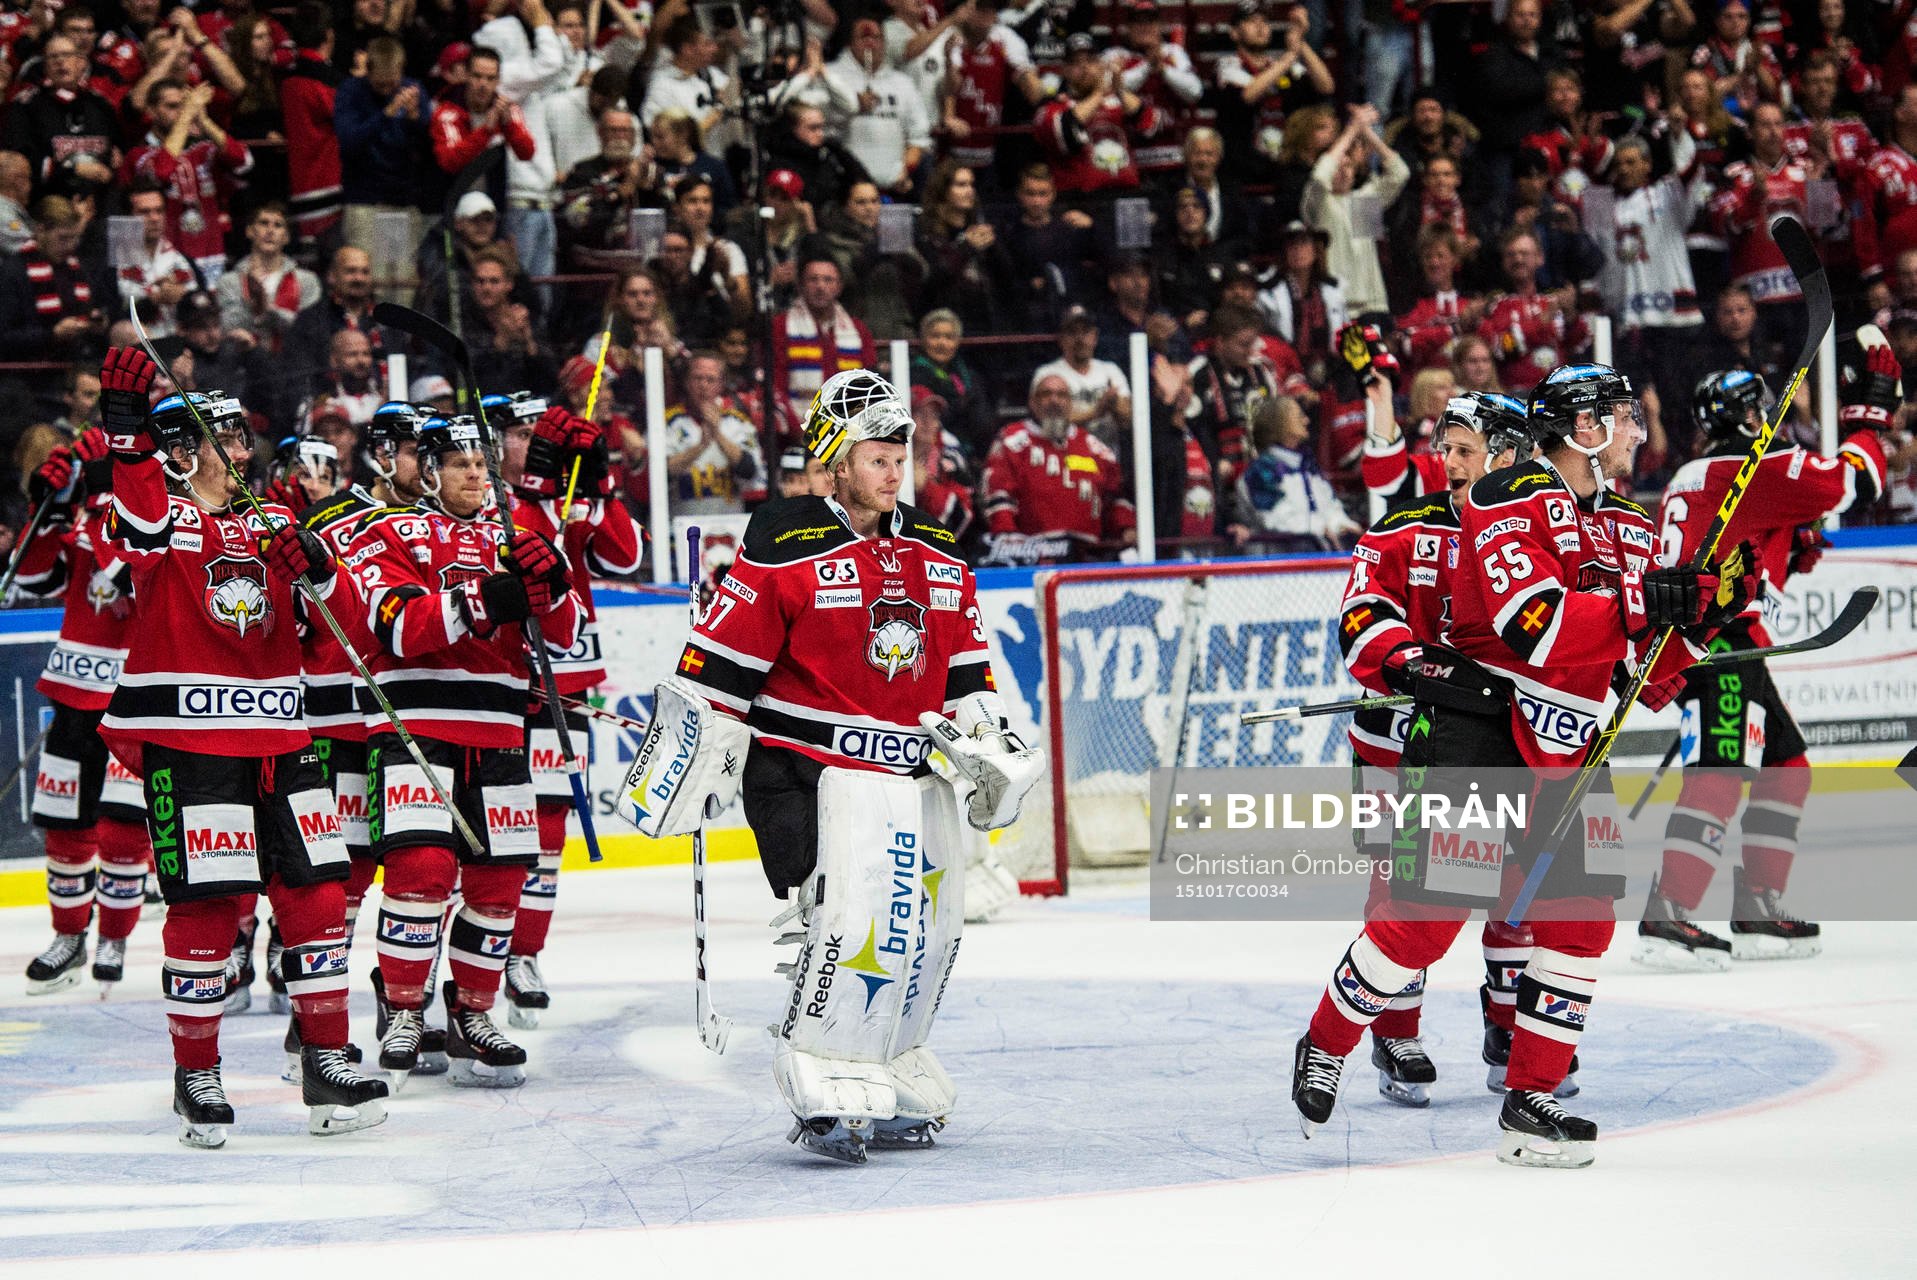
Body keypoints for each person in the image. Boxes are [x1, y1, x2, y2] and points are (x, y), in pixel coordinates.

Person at [1290, 363, 1754, 1169]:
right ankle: (1326, 1041)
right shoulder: (1508, 500)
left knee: (1578, 924)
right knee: (1423, 927)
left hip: (1567, 746)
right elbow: (1530, 622)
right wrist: (1647, 607)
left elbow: (1640, 667)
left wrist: (1702, 610)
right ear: (1582, 429)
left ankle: (1528, 1100)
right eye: (1621, 415)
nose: (1637, 430)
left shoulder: (1634, 526)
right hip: (1479, 735)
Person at [619, 369, 1043, 1162]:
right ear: (835, 462)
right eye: (875, 457)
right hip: (802, 770)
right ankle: (820, 1061)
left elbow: (965, 670)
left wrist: (985, 740)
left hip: (909, 778)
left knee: (926, 931)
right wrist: (693, 750)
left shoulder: (938, 547)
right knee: (844, 922)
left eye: (897, 457)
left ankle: (891, 1057)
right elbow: (718, 672)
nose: (892, 472)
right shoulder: (783, 537)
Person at [95, 346, 388, 1145]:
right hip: (194, 746)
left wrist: (321, 571)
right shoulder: (163, 519)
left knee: (318, 896)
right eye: (219, 435)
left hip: (285, 740)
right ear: (183, 450)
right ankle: (197, 1073)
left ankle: (326, 1058)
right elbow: (141, 519)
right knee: (210, 906)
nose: (238, 450)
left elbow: (344, 632)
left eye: (239, 434)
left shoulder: (277, 523)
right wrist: (126, 432)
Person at [1316, 387, 1532, 1107]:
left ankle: (1508, 1030)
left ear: (1506, 453)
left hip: (1501, 743)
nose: (1449, 463)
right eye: (1446, 449)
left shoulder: (1532, 528)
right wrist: (1412, 665)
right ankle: (1393, 1029)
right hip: (1393, 745)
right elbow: (1359, 616)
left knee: (1516, 887)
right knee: (1405, 887)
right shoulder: (1403, 528)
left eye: (1465, 450)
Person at [1635, 361, 1890, 969]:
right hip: (1717, 642)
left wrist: (1782, 545)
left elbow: (1737, 543)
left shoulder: (1702, 472)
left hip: (1711, 636)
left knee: (1786, 766)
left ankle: (1757, 903)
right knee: (1723, 768)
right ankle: (1669, 910)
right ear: (1752, 414)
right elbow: (1856, 481)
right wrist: (1868, 415)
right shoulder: (1750, 468)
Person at [355, 411, 583, 1088]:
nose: (476, 473)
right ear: (426, 470)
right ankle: (403, 1010)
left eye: (482, 462)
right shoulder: (388, 533)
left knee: (501, 878)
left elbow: (565, 633)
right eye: (459, 463)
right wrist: (492, 598)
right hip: (415, 727)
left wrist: (552, 584)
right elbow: (397, 627)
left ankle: (473, 1013)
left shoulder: (516, 536)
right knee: (421, 870)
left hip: (499, 729)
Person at [501, 399, 644, 1028]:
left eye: (539, 435)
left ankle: (523, 954)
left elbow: (624, 555)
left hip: (567, 680)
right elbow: (519, 539)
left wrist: (599, 478)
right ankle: (466, 958)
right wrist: (537, 487)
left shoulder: (567, 501)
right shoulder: (481, 497)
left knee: (549, 827)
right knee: (484, 832)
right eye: (522, 434)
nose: (535, 443)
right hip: (497, 682)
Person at [12, 427, 153, 998]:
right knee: (67, 830)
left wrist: (102, 507)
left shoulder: (161, 519)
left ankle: (114, 938)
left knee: (124, 830)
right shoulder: (78, 519)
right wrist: (42, 507)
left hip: (135, 698)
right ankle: (68, 937)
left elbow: (137, 581)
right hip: (75, 692)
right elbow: (29, 578)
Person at [981, 371, 1136, 561]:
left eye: (1062, 395)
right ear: (1032, 402)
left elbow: (1116, 495)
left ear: (1070, 403)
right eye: (1046, 394)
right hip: (1034, 555)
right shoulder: (1012, 440)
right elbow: (998, 494)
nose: (1054, 401)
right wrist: (1007, 538)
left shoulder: (1093, 447)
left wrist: (1126, 528)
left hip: (1087, 555)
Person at [122, 78, 253, 286]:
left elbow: (243, 162)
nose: (183, 112)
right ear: (152, 111)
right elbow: (160, 173)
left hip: (211, 255)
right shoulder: (138, 155)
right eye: (173, 106)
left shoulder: (203, 151)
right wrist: (186, 117)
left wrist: (204, 120)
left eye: (185, 106)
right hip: (163, 259)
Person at [770, 256, 875, 437]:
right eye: (813, 279)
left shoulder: (858, 331)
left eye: (828, 280)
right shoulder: (781, 327)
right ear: (800, 285)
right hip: (796, 434)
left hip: (849, 436)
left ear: (839, 287)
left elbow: (868, 388)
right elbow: (775, 386)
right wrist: (802, 432)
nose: (820, 286)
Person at [663, 350, 766, 514]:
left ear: (721, 384)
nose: (703, 385)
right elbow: (660, 473)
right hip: (682, 526)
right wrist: (701, 446)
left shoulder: (738, 421)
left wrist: (717, 435)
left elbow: (749, 470)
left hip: (729, 527)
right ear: (687, 382)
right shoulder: (668, 421)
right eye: (698, 378)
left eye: (710, 379)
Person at [215, 204, 321, 356]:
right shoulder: (230, 281)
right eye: (264, 223)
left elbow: (309, 329)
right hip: (245, 366)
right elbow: (227, 329)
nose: (270, 231)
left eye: (278, 225)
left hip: (294, 365)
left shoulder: (307, 280)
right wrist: (251, 306)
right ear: (250, 231)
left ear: (286, 237)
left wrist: (267, 310)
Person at [1030, 306, 1129, 444]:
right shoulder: (1047, 375)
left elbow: (1129, 419)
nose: (1080, 338)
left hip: (1105, 457)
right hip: (1065, 455)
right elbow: (1049, 424)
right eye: (1072, 332)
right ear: (1061, 338)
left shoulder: (1110, 370)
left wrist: (1116, 405)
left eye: (1085, 332)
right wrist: (1096, 412)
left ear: (1095, 337)